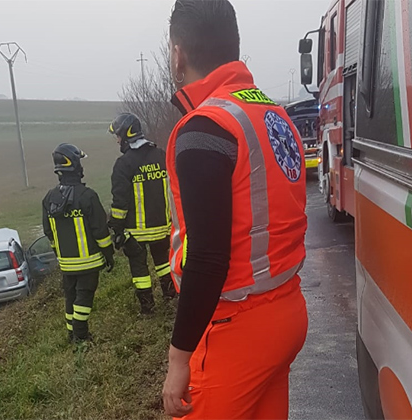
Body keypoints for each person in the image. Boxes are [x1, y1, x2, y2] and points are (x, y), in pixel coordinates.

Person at [161, 1, 308, 418]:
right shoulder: (272, 113)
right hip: (286, 311)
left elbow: (207, 257)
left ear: (178, 54)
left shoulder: (205, 129)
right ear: (233, 46)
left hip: (236, 329)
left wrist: (178, 359)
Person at [42, 143, 115, 343]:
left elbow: (49, 232)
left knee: (70, 297)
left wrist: (60, 254)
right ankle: (81, 336)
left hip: (66, 264)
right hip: (89, 262)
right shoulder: (87, 196)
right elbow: (100, 230)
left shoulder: (49, 198)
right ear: (74, 164)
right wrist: (109, 255)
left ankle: (70, 334)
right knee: (84, 298)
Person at [107, 113, 176, 315]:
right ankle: (171, 297)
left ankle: (148, 309)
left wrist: (117, 229)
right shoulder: (161, 155)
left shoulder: (124, 164)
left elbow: (120, 203)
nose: (117, 140)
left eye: (117, 136)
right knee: (164, 263)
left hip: (136, 233)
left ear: (125, 135)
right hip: (164, 227)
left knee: (140, 271)